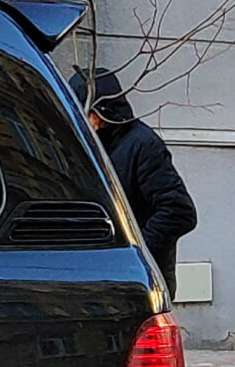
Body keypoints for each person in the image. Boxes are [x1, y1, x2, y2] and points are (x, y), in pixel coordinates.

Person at [71, 68, 197, 291]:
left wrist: (137, 254)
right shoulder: (91, 146)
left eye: (83, 113)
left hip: (141, 281)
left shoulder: (142, 144)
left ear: (100, 112)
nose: (79, 122)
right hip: (105, 277)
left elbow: (179, 212)